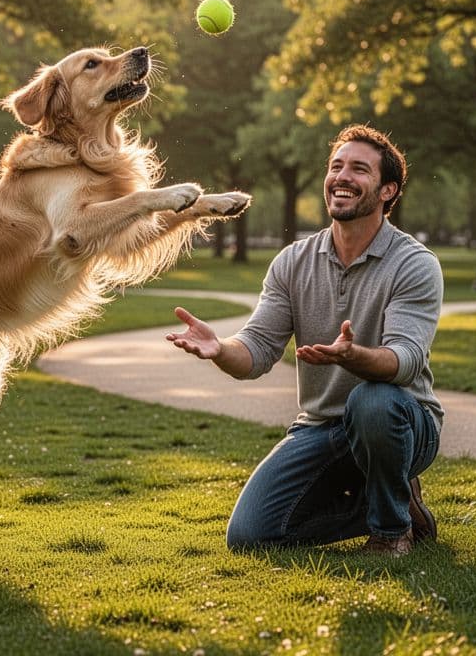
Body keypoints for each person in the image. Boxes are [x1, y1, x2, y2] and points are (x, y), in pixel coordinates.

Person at [166, 124, 443, 556]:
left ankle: (392, 533)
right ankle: (398, 502)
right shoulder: (292, 261)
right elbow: (256, 350)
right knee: (250, 538)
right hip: (322, 427)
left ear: (387, 191)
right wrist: (221, 350)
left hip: (403, 421)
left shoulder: (414, 264)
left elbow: (404, 361)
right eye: (336, 167)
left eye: (359, 169)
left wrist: (353, 356)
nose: (342, 177)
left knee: (372, 400)